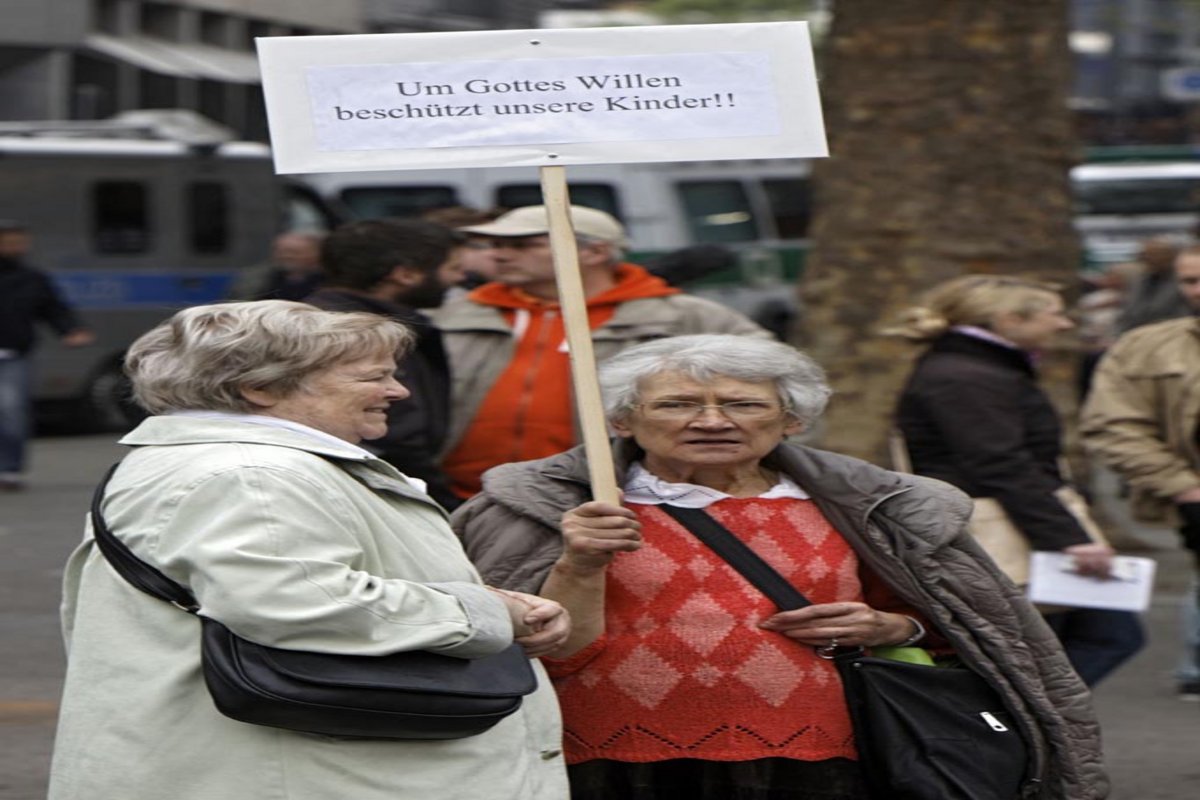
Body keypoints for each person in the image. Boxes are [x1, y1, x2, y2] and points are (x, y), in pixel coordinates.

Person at [452, 334, 1106, 800]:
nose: (712, 421)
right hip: (605, 756)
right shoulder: (548, 511)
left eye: (742, 404)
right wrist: (579, 561)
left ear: (791, 419)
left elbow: (958, 628)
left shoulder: (874, 508)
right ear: (623, 420)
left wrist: (889, 628)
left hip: (823, 757)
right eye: (677, 404)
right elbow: (546, 649)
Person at [48, 301, 570, 800]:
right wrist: (484, 613)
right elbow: (298, 603)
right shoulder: (251, 475)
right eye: (372, 377)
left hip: (283, 764)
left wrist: (487, 605)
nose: (397, 391)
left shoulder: (230, 464)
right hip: (300, 772)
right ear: (259, 388)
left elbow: (288, 585)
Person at [889, 275, 1144, 687]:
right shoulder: (966, 376)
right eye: (1053, 314)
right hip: (1007, 531)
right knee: (1091, 640)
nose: (1064, 323)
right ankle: (1019, 719)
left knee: (1098, 638)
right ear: (1009, 319)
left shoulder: (975, 369)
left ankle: (1031, 718)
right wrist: (1067, 538)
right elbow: (1001, 463)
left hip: (1017, 526)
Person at [434, 204, 772, 501]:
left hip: (620, 498)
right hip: (461, 495)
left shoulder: (687, 317)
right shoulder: (454, 314)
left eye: (523, 245)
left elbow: (776, 391)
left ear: (595, 252)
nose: (500, 255)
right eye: (495, 245)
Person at [1081, 243, 1200, 701]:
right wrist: (1182, 487)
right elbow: (1112, 424)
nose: (1196, 290)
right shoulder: (1147, 347)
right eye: (1189, 280)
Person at [305, 218, 465, 509]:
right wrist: (440, 504)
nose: (460, 277)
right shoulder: (360, 335)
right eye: (452, 268)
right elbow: (399, 436)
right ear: (405, 275)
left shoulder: (314, 321)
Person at [0, 219, 94, 491]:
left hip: (13, 354)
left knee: (10, 412)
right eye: (8, 242)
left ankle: (8, 470)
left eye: (19, 242)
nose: (15, 247)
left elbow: (53, 309)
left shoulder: (32, 279)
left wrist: (70, 330)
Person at [1114, 236, 1189, 334]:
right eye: (1146, 255)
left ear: (1171, 256)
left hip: (1170, 332)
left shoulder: (1184, 280)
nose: (1148, 258)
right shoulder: (1139, 280)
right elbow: (1127, 312)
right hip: (1135, 332)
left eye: (1155, 254)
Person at [226, 230, 325, 301]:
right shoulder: (254, 278)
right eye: (280, 251)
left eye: (294, 252)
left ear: (316, 254)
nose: (286, 256)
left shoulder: (328, 278)